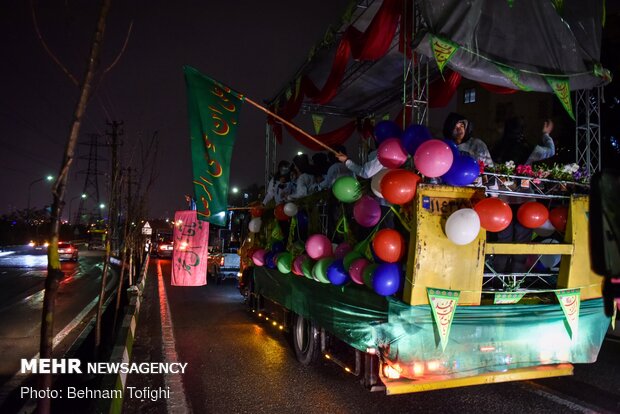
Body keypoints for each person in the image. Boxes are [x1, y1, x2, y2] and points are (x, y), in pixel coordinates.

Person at [491, 117, 556, 276]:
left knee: (503, 242)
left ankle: (497, 279)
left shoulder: (496, 148)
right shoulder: (530, 148)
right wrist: (546, 134)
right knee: (522, 242)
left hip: (502, 203)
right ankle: (517, 280)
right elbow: (550, 150)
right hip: (525, 203)